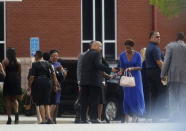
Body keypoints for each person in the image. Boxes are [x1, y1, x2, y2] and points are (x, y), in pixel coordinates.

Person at [80, 41, 115, 123]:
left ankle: (83, 119)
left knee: (84, 101)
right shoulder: (96, 54)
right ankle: (94, 118)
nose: (101, 48)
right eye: (100, 46)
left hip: (84, 81)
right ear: (95, 46)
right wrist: (110, 69)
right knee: (94, 100)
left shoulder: (85, 54)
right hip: (94, 81)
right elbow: (97, 65)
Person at [161, 32, 186, 122]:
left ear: (176, 38)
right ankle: (183, 117)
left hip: (173, 75)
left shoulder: (170, 46)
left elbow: (166, 61)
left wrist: (162, 74)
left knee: (172, 96)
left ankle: (173, 117)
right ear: (183, 39)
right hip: (184, 77)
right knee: (183, 96)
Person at [28, 51, 59, 124]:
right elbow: (53, 75)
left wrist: (29, 86)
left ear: (37, 56)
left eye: (35, 56)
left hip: (39, 82)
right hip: (48, 83)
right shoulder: (49, 64)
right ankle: (49, 118)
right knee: (47, 101)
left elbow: (32, 77)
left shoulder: (34, 64)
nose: (34, 58)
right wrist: (55, 85)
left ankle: (43, 120)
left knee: (40, 102)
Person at [119, 39, 145, 123]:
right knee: (127, 97)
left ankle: (135, 115)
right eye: (126, 48)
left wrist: (132, 68)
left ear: (132, 47)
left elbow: (140, 67)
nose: (127, 50)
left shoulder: (137, 55)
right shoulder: (122, 55)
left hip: (136, 77)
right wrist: (120, 72)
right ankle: (127, 115)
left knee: (136, 96)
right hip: (127, 77)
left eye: (129, 48)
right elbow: (122, 67)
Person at [145, 31, 164, 122]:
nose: (159, 38)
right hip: (156, 72)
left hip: (149, 72)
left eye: (159, 36)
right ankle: (158, 114)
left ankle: (153, 115)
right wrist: (166, 71)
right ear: (151, 38)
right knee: (161, 94)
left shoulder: (148, 47)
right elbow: (159, 62)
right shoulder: (155, 48)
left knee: (154, 94)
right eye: (156, 36)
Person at [2, 48, 22, 124]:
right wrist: (18, 83)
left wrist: (1, 70)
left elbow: (4, 74)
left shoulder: (5, 61)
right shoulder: (18, 61)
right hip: (16, 81)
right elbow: (19, 74)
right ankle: (17, 117)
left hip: (8, 80)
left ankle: (9, 118)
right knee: (14, 99)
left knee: (8, 100)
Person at [49, 49, 67, 124]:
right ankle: (49, 118)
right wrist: (56, 69)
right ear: (50, 56)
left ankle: (54, 119)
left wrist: (63, 71)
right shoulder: (48, 64)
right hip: (51, 85)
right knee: (52, 102)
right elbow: (49, 73)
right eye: (54, 56)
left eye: (57, 56)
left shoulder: (59, 63)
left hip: (58, 85)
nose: (56, 57)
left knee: (57, 103)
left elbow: (65, 74)